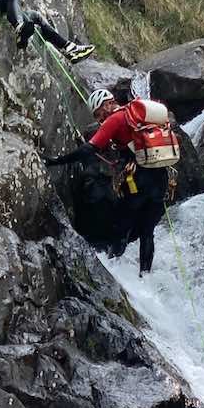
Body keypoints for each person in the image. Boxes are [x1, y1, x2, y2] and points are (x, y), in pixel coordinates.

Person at [44, 97, 179, 275]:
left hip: (138, 181)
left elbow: (89, 149)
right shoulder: (136, 116)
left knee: (121, 226)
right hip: (160, 177)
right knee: (147, 232)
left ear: (107, 104)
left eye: (100, 113)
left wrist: (57, 161)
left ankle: (114, 271)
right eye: (96, 116)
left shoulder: (115, 119)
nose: (100, 119)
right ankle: (145, 275)